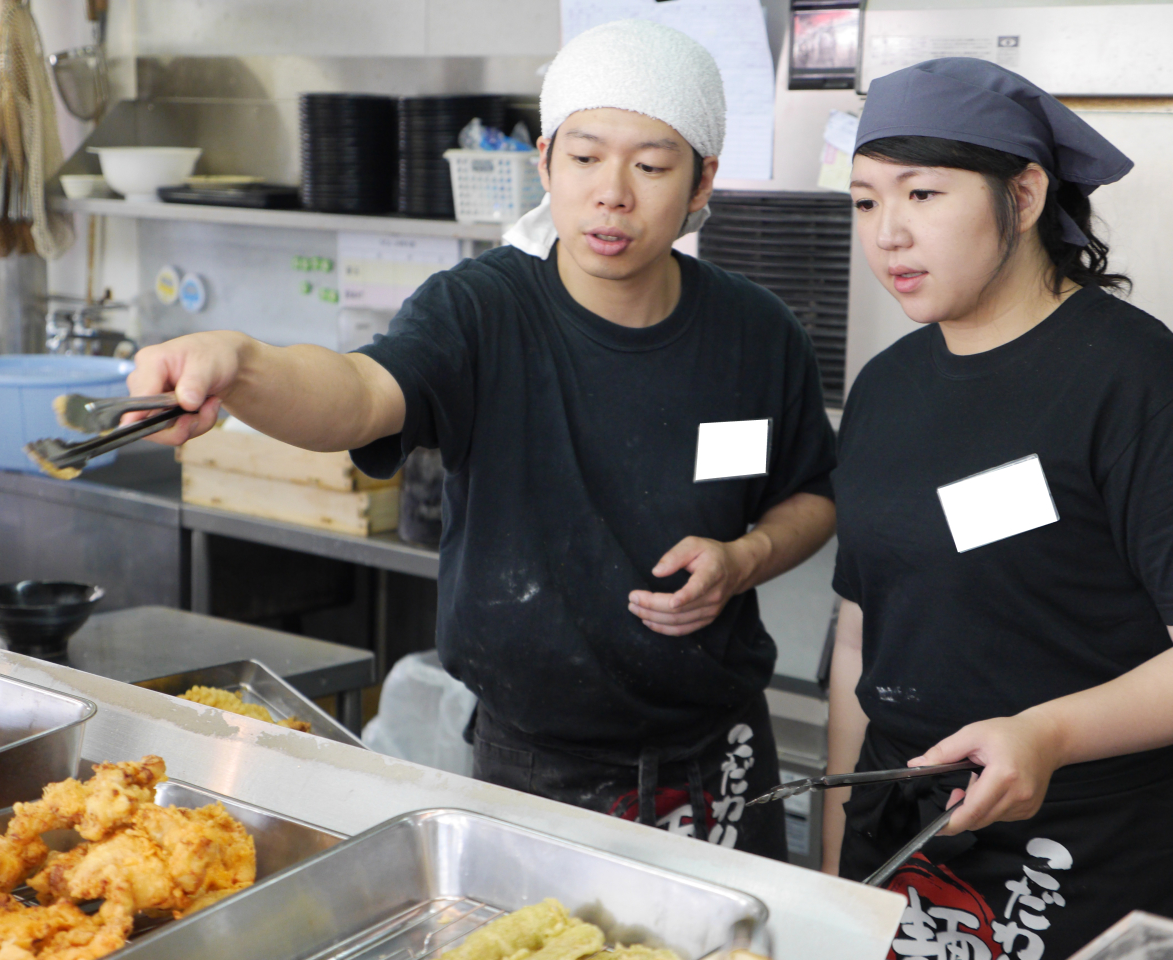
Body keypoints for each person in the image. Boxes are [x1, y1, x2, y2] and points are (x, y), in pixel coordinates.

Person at [129, 20, 836, 858]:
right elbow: (358, 394)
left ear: (701, 180)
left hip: (723, 755)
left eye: (650, 165)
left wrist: (746, 558)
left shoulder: (757, 333)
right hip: (531, 761)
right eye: (583, 158)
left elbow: (813, 495)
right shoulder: (481, 312)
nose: (612, 192)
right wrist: (241, 363)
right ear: (544, 163)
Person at [823, 57, 1173, 956]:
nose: (888, 235)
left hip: (1084, 852)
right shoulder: (886, 385)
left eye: (924, 195)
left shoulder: (1132, 380)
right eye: (866, 202)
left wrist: (1047, 734)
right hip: (897, 841)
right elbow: (862, 633)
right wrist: (830, 885)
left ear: (1023, 194)